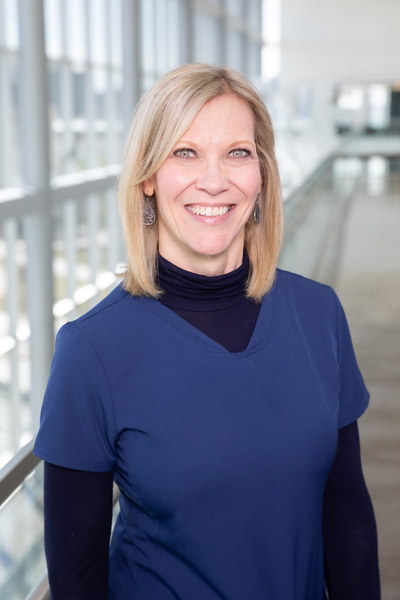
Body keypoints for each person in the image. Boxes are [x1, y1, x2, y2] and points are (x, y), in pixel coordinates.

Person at [34, 64, 380, 600]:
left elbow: (346, 511)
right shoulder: (94, 350)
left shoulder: (318, 315)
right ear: (148, 177)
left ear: (261, 174)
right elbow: (76, 580)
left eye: (237, 152)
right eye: (184, 152)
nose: (214, 180)